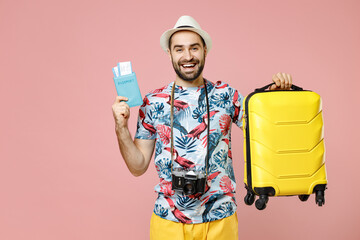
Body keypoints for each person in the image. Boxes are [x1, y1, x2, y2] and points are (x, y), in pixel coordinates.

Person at [112, 16, 292, 240]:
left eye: (194, 48)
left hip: (220, 219)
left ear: (205, 50)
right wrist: (121, 127)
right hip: (168, 221)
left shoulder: (227, 95)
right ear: (169, 54)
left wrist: (276, 97)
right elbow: (137, 166)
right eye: (179, 49)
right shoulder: (153, 102)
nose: (187, 56)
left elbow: (267, 133)